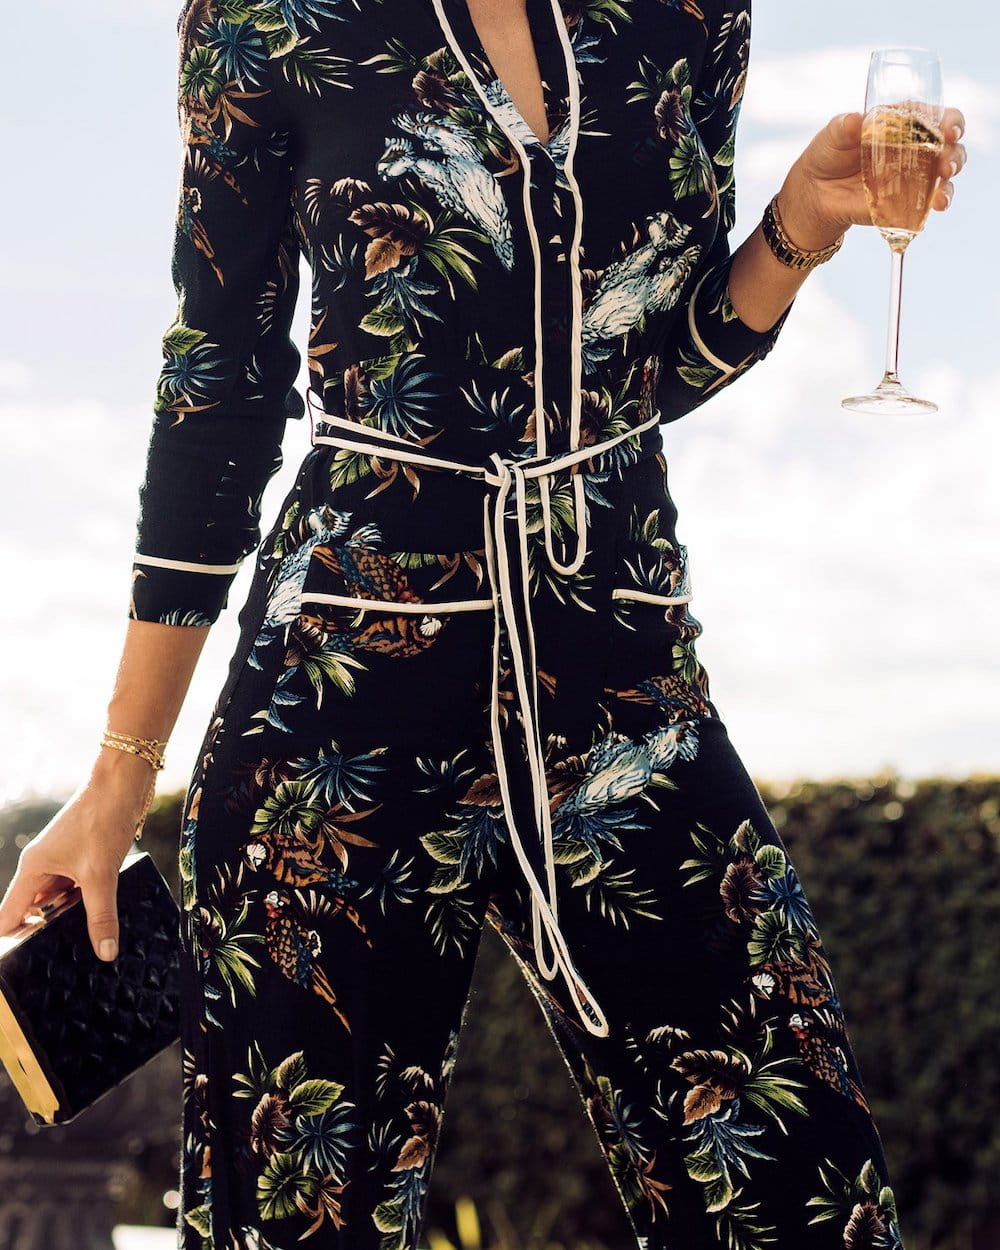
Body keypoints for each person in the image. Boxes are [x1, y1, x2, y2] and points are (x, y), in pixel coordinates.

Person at [0, 1, 966, 1246]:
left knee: (798, 1196)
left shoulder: (689, 12)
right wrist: (118, 776)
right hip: (337, 704)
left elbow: (646, 364)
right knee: (299, 1226)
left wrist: (798, 225)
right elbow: (219, 393)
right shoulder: (266, 20)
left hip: (622, 678)